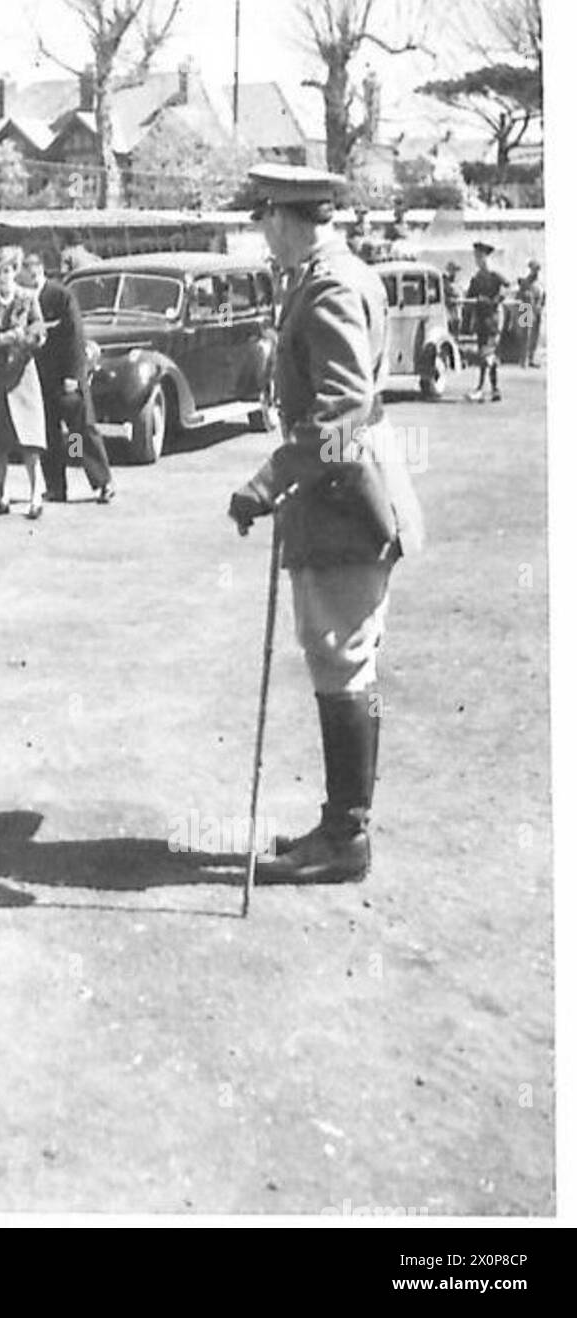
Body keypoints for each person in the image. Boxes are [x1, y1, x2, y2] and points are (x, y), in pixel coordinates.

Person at [228, 164, 423, 885]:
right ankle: (342, 826)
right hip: (334, 494)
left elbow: (342, 413)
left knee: (341, 657)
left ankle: (346, 838)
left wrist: (268, 479)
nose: (263, 236)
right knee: (340, 657)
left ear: (283, 217)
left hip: (344, 498)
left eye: (263, 221)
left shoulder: (332, 284)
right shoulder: (327, 275)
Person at [19, 248, 114, 505]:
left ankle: (102, 482)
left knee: (79, 433)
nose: (26, 280)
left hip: (66, 379)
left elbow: (75, 337)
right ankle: (56, 488)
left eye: (28, 274)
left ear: (38, 271)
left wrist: (73, 375)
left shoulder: (61, 296)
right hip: (40, 379)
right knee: (48, 434)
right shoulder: (25, 300)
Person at [0, 246, 47, 518]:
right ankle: (2, 494)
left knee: (30, 441)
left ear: (14, 272)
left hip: (22, 377)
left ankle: (35, 495)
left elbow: (39, 328)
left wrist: (30, 338)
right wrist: (3, 338)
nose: (2, 277)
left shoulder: (27, 298)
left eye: (6, 271)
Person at [465, 240, 508, 401]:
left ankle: (481, 388)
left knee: (486, 354)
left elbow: (507, 287)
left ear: (485, 257)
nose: (477, 260)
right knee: (486, 355)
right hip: (481, 320)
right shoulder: (476, 278)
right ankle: (495, 389)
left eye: (479, 257)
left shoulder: (495, 275)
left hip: (493, 320)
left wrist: (495, 299)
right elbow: (469, 296)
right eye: (476, 257)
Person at [516, 258, 545, 368]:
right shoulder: (525, 282)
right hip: (526, 309)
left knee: (535, 335)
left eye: (537, 269)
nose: (535, 271)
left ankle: (532, 358)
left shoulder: (540, 283)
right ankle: (524, 359)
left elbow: (544, 296)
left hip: (537, 310)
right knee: (526, 335)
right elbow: (519, 296)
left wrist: (541, 306)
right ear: (530, 269)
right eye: (534, 269)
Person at [443, 260, 463, 337]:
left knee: (457, 322)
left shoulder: (458, 282)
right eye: (451, 270)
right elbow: (445, 293)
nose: (453, 272)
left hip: (457, 306)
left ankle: (456, 337)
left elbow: (459, 293)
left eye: (454, 270)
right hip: (449, 306)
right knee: (450, 323)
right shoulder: (445, 281)